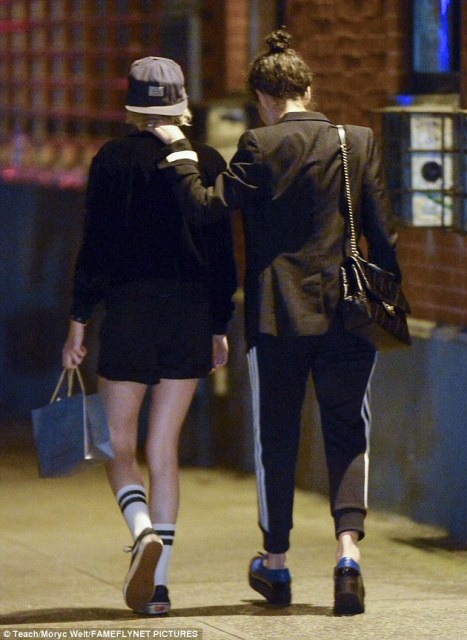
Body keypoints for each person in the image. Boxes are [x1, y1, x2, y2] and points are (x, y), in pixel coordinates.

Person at [150, 29, 403, 616]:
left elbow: (207, 206)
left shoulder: (259, 145)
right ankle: (348, 558)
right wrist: (384, 297)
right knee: (349, 432)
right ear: (308, 89)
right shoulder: (356, 141)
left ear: (263, 98)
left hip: (277, 316)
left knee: (277, 439)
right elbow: (384, 235)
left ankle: (277, 562)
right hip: (349, 314)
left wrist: (180, 153)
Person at [62, 56, 237, 615]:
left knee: (118, 443)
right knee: (164, 448)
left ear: (133, 106)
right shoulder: (206, 160)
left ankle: (141, 530)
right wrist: (218, 325)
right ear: (182, 102)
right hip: (190, 315)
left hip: (130, 312)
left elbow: (95, 243)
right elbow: (222, 252)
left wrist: (79, 319)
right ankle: (158, 589)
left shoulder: (113, 159)